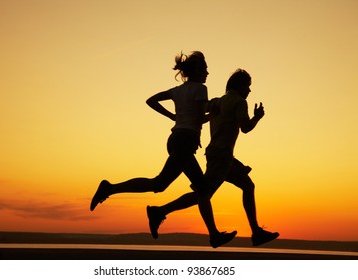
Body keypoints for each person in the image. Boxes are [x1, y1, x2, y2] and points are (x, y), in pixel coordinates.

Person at [90, 51, 236, 248]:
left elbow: (151, 100)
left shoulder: (177, 90)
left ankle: (151, 208)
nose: (208, 72)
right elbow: (200, 117)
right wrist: (216, 113)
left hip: (176, 139)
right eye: (205, 69)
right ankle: (213, 235)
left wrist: (171, 116)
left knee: (174, 186)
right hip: (185, 141)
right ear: (197, 71)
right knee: (182, 187)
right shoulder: (201, 89)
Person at [146, 69, 279, 246]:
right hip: (221, 156)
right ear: (239, 86)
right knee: (204, 194)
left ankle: (256, 232)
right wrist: (257, 117)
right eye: (247, 86)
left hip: (218, 154)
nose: (249, 91)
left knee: (246, 185)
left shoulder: (216, 101)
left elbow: (199, 109)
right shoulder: (239, 102)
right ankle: (161, 211)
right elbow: (245, 128)